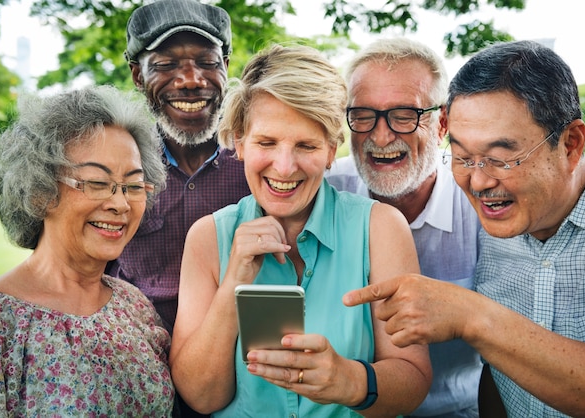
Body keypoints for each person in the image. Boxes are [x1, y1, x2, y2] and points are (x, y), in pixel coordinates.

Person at [343, 40, 585, 417]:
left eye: (500, 159)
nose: (479, 182)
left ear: (571, 143)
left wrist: (471, 316)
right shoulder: (496, 219)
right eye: (463, 156)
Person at [170, 44, 432, 417]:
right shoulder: (208, 237)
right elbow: (202, 397)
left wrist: (350, 381)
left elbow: (414, 380)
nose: (285, 166)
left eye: (306, 145)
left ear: (330, 151)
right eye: (267, 142)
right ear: (240, 143)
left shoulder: (379, 228)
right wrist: (233, 284)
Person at [0, 86, 174, 416]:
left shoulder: (134, 305)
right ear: (40, 191)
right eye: (97, 183)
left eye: (133, 185)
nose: (120, 203)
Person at [326, 37, 482, 417]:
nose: (381, 136)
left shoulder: (481, 205)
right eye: (363, 114)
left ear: (442, 122)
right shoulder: (325, 192)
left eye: (404, 115)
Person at [107, 0, 251, 335]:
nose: (190, 80)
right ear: (137, 75)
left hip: (240, 358)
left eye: (207, 62)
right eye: (166, 65)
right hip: (138, 354)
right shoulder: (118, 165)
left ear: (226, 67)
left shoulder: (259, 161)